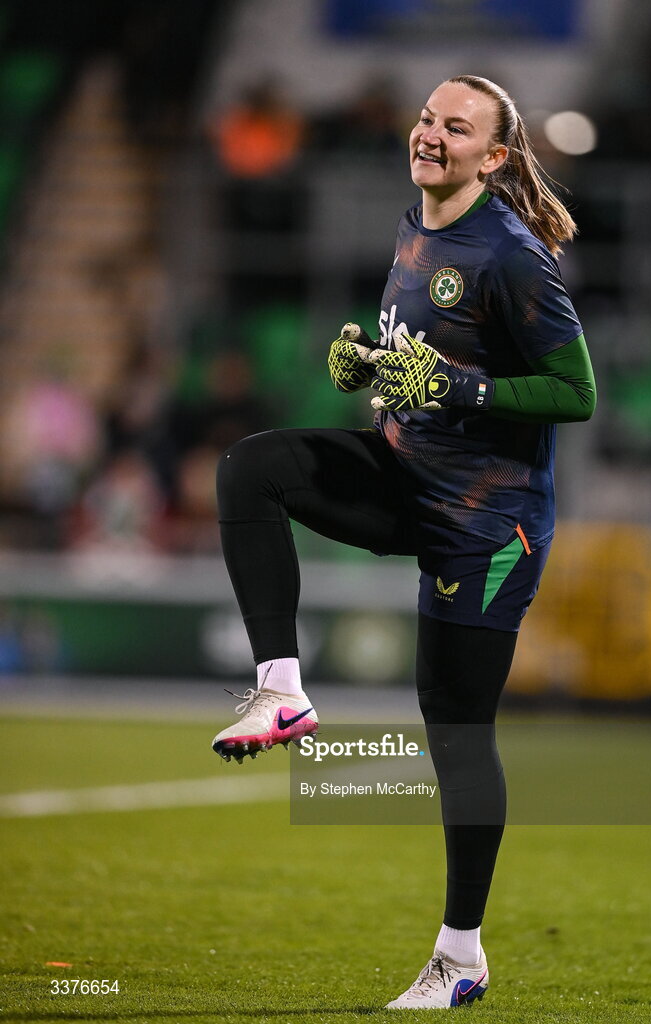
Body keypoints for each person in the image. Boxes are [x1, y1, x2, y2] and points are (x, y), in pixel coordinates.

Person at [211, 75, 596, 1010]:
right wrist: (370, 369)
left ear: (494, 157)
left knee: (457, 739)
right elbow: (423, 363)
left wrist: (464, 393)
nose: (430, 135)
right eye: (427, 118)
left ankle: (461, 956)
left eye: (455, 128)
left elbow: (576, 391)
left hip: (485, 529)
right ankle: (283, 691)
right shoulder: (416, 223)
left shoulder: (512, 255)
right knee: (251, 469)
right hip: (406, 475)